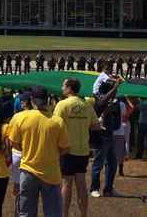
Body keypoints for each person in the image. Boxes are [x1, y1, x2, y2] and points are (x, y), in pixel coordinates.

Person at [8, 86, 69, 217]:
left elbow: (13, 143)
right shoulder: (57, 121)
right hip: (51, 173)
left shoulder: (19, 118)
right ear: (47, 100)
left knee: (26, 212)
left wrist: (27, 150)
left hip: (28, 170)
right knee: (53, 212)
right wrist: (51, 153)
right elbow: (64, 148)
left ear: (32, 100)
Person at [54, 78, 98, 217]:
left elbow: (55, 126)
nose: (62, 87)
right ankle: (83, 214)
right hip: (83, 149)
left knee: (66, 183)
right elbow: (96, 125)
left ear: (69, 88)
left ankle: (64, 214)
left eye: (63, 85)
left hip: (67, 150)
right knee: (81, 183)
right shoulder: (87, 105)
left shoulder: (62, 105)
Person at [90, 79, 122, 198]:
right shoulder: (99, 102)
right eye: (112, 92)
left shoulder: (112, 103)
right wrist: (115, 86)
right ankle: (94, 188)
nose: (115, 93)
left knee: (112, 164)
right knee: (98, 164)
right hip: (101, 138)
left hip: (109, 136)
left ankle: (108, 189)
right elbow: (104, 99)